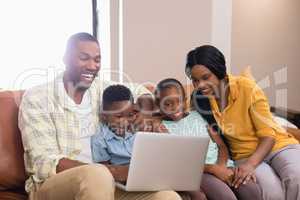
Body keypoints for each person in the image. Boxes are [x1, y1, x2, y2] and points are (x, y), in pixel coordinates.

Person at [18, 32, 181, 200]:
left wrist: (145, 114)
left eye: (97, 60)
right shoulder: (37, 98)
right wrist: (113, 171)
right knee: (97, 174)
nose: (92, 66)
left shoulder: (100, 89)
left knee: (167, 196)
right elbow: (43, 162)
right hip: (52, 185)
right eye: (84, 58)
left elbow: (142, 91)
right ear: (65, 58)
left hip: (106, 182)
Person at [185, 45, 300, 200]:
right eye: (195, 80)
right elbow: (176, 110)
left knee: (296, 176)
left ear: (220, 72)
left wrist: (250, 165)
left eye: (206, 77)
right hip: (244, 154)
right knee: (272, 192)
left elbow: (268, 136)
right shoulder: (200, 99)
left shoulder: (247, 88)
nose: (200, 85)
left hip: (278, 146)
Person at [154, 78, 262, 200]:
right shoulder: (162, 128)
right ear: (159, 106)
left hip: (223, 164)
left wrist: (221, 165)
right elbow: (180, 162)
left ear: (185, 100)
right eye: (167, 104)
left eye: (179, 101)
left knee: (252, 191)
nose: (174, 107)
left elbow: (221, 145)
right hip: (200, 172)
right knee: (226, 197)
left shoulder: (198, 116)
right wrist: (214, 170)